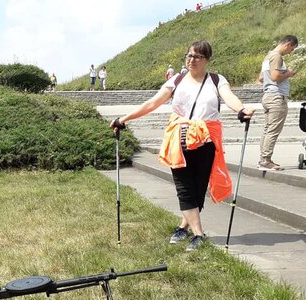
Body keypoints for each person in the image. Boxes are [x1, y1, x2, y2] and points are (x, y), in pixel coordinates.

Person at [109, 41, 254, 251]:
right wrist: (124, 119)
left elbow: (229, 97)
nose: (191, 60)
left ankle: (183, 227)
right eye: (189, 56)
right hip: (179, 139)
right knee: (184, 188)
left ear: (207, 60)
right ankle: (198, 234)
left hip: (206, 140)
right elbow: (152, 103)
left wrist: (241, 110)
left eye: (197, 57)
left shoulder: (216, 80)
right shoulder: (176, 81)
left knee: (198, 188)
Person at [257, 35, 299, 170]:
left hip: (268, 96)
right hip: (276, 97)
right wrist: (289, 73)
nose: (290, 52)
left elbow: (261, 78)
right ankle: (266, 161)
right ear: (288, 44)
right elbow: (275, 77)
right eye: (291, 49)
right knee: (273, 130)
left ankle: (263, 159)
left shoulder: (268, 56)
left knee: (268, 129)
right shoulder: (277, 57)